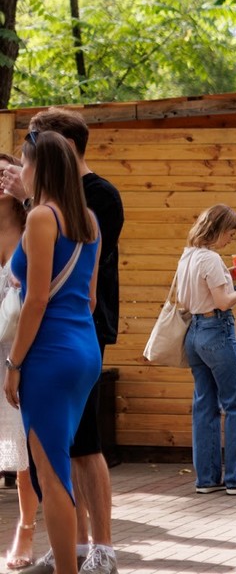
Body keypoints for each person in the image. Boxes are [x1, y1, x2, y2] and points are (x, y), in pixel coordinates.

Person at [2, 108, 124, 574]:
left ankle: (67, 566)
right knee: (64, 460)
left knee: (50, 474)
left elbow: (35, 301)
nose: (21, 171)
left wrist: (15, 364)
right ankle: (71, 555)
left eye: (24, 163)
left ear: (40, 167)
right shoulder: (88, 220)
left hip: (49, 354)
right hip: (83, 347)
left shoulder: (40, 218)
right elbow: (89, 298)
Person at [177, 204, 236, 497]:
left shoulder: (189, 255)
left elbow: (194, 292)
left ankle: (207, 479)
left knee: (205, 406)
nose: (230, 239)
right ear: (217, 230)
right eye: (229, 233)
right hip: (217, 331)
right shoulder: (211, 259)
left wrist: (227, 275)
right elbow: (223, 302)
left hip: (194, 334)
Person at [0, 153, 36, 571]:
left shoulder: (33, 232)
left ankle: (25, 530)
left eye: (3, 172)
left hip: (22, 354)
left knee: (24, 452)